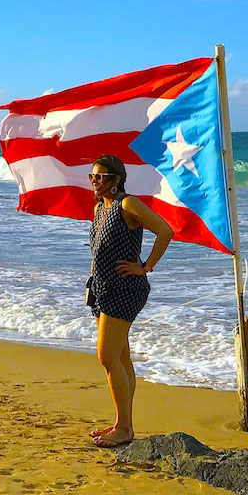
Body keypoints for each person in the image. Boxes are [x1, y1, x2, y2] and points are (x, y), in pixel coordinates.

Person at [86, 155, 173, 448]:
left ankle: (124, 429)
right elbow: (98, 247)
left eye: (100, 176)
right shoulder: (100, 208)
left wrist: (145, 265)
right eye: (92, 176)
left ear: (116, 180)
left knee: (107, 357)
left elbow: (165, 230)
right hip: (102, 288)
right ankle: (122, 422)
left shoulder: (127, 205)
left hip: (126, 288)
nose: (94, 182)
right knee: (121, 357)